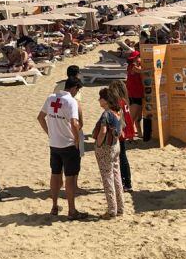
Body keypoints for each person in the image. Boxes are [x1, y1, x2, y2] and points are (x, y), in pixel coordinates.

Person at [37, 76, 84, 220]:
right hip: (68, 144)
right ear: (74, 88)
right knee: (70, 178)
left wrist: (50, 133)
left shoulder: (51, 98)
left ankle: (54, 206)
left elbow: (40, 117)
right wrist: (77, 140)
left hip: (54, 143)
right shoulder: (71, 101)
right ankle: (71, 209)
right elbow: (75, 124)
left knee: (55, 174)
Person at [92, 88, 126, 219]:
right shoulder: (118, 111)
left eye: (100, 98)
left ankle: (112, 209)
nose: (98, 100)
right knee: (116, 175)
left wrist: (99, 144)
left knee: (107, 177)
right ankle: (120, 207)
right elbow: (122, 128)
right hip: (116, 145)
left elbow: (103, 131)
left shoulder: (106, 114)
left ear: (106, 100)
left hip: (106, 147)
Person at [107, 80, 134, 191]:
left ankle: (124, 182)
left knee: (119, 158)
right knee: (122, 156)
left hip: (119, 133)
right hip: (125, 131)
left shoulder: (117, 103)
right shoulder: (124, 101)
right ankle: (127, 182)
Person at [125, 50, 143, 131]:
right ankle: (129, 135)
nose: (140, 58)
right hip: (133, 94)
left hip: (138, 93)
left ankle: (139, 133)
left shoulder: (135, 65)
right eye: (138, 57)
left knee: (138, 117)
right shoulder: (132, 66)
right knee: (133, 117)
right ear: (135, 58)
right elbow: (141, 71)